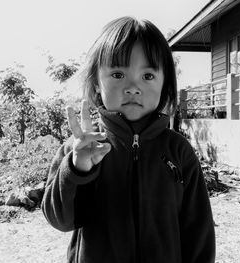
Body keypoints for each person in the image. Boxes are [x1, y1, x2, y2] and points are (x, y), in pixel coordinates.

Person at [42, 16, 215, 263]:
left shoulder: (179, 151)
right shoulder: (79, 150)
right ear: (96, 84)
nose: (133, 87)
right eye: (118, 74)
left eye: (147, 76)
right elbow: (61, 220)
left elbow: (198, 231)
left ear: (166, 84)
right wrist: (77, 169)